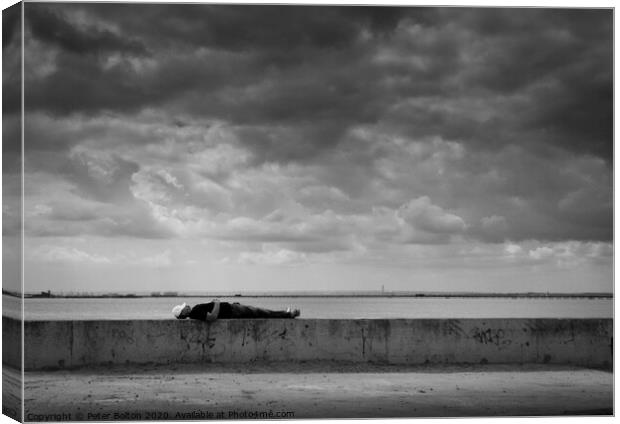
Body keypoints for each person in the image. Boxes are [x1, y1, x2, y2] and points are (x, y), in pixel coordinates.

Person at [172, 300, 300, 322]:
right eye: (184, 308)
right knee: (261, 312)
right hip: (232, 311)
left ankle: (286, 313)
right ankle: (288, 314)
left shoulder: (195, 312)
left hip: (232, 309)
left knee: (259, 312)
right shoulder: (195, 311)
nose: (187, 306)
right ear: (183, 313)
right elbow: (212, 317)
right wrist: (216, 302)